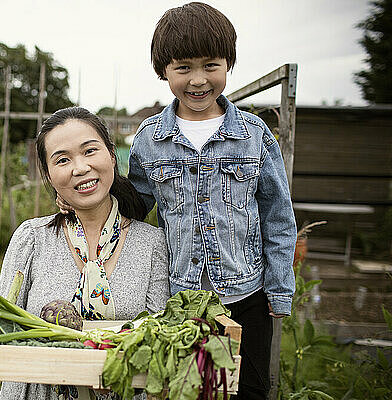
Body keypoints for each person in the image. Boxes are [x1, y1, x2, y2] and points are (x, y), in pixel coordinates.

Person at [127, 3, 297, 399]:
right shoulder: (150, 139)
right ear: (162, 71)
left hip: (246, 295)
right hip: (180, 301)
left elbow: (277, 217)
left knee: (250, 388)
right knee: (184, 390)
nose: (198, 80)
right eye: (183, 68)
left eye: (211, 65)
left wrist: (279, 289)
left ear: (228, 64)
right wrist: (86, 197)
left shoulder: (253, 134)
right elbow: (135, 205)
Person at [0, 107, 171, 400]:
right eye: (62, 160)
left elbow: (158, 337)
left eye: (90, 151)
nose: (80, 168)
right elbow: (1, 319)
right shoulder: (32, 239)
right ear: (49, 176)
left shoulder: (152, 244)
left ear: (111, 156)